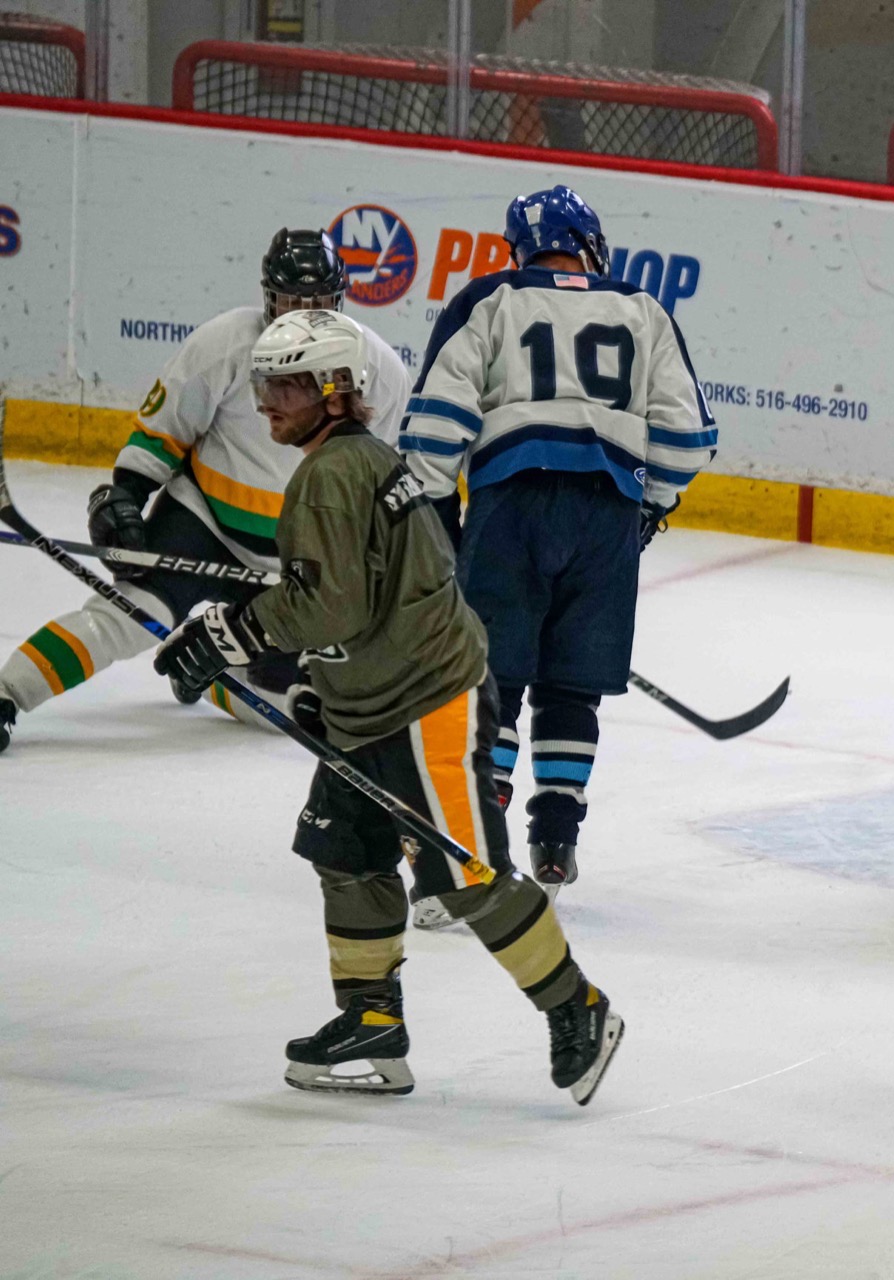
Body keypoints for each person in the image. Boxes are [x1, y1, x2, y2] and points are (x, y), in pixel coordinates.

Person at [152, 310, 623, 1105]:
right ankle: (372, 1019)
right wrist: (308, 671)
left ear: (336, 389)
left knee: (467, 875)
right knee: (345, 851)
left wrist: (230, 632)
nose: (267, 401)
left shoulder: (331, 476)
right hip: (371, 703)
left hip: (427, 701)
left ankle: (578, 1007)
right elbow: (369, 591)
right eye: (265, 383)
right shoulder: (365, 458)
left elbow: (327, 606)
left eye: (287, 385)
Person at [400, 184, 716, 897]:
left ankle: (477, 843)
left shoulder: (489, 298)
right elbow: (687, 440)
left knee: (495, 682)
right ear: (589, 244)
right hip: (605, 513)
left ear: (521, 249)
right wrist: (647, 508)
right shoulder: (644, 308)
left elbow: (436, 425)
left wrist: (438, 519)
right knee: (572, 686)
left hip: (511, 505)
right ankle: (555, 842)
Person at [0, 229, 409, 752]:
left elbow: (377, 481)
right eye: (290, 303)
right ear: (268, 297)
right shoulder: (227, 344)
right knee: (128, 618)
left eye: (317, 305)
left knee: (294, 706)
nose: (302, 319)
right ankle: (8, 692)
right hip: (201, 525)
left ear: (339, 302)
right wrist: (125, 496)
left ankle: (214, 680)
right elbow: (166, 429)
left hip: (291, 559)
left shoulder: (381, 373)